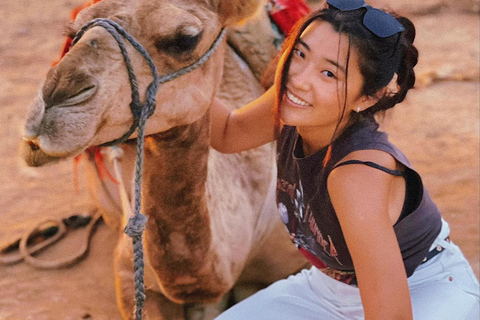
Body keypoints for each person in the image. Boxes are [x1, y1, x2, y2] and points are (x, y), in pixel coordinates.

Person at [209, 0, 480, 319]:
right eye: (300, 53)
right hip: (328, 287)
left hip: (422, 287)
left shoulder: (356, 174)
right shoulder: (294, 106)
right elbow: (229, 132)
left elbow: (391, 315)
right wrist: (165, 70)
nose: (299, 78)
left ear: (367, 98)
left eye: (328, 73)